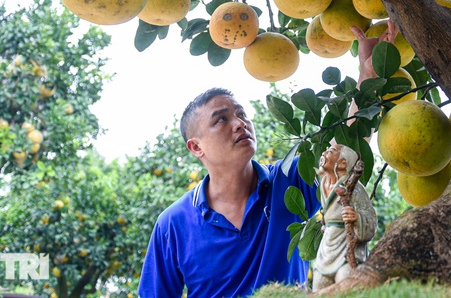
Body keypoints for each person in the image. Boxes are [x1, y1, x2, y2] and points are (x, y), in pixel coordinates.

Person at [139, 21, 397, 297]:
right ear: (196, 147)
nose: (239, 123)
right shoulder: (173, 224)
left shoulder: (287, 181)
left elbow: (344, 149)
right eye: (221, 120)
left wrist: (367, 74)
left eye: (241, 114)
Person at [312, 143, 377, 291]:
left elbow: (371, 219)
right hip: (327, 249)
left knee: (346, 284)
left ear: (342, 163)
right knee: (319, 286)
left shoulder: (353, 187)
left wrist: (357, 217)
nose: (324, 153)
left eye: (331, 151)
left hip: (347, 248)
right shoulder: (324, 184)